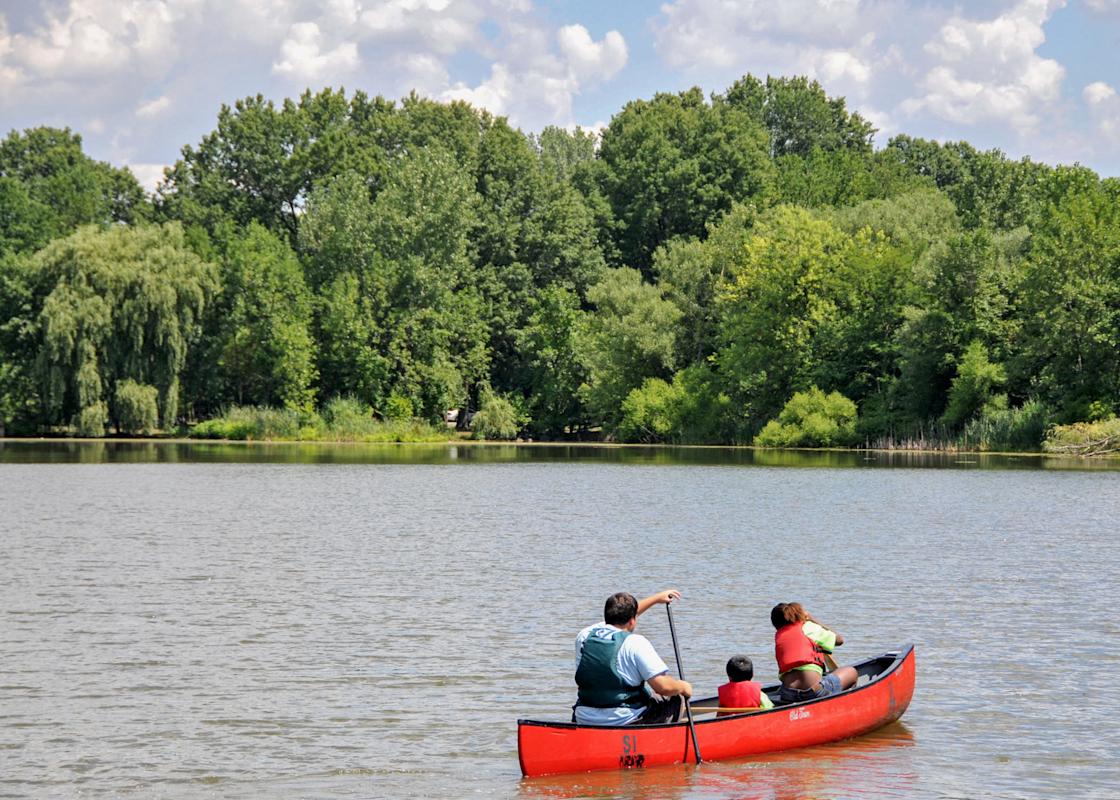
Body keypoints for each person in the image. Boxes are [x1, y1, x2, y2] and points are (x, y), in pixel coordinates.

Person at [573, 589, 693, 725]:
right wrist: (683, 687)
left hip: (583, 717)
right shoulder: (636, 642)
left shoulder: (584, 636)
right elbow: (663, 687)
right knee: (676, 696)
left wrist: (656, 598)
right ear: (632, 621)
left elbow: (620, 616)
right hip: (624, 720)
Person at [771, 602, 858, 705]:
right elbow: (839, 640)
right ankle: (845, 707)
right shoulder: (808, 627)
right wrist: (812, 619)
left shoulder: (779, 636)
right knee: (851, 671)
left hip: (788, 694)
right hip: (813, 692)